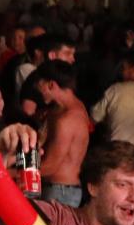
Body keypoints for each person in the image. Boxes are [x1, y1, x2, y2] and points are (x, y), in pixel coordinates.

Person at [34, 62, 91, 206]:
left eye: (39, 85)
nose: (36, 89)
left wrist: (7, 172)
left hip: (60, 192)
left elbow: (50, 166)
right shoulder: (67, 109)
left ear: (51, 85)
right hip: (59, 190)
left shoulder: (67, 119)